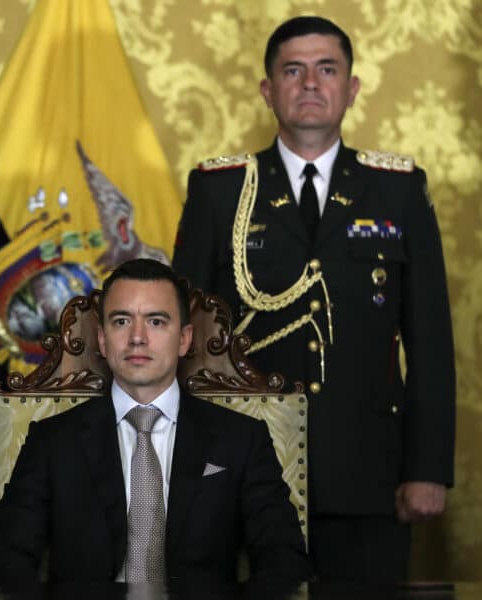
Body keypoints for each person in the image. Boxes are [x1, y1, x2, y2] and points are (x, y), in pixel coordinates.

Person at [171, 16, 454, 582]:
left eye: (327, 69)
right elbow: (186, 336)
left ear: (351, 88)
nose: (309, 84)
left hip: (367, 472)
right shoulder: (221, 188)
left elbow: (431, 342)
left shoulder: (397, 188)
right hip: (242, 474)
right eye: (292, 70)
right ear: (267, 90)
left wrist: (426, 470)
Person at [0, 258, 310, 586]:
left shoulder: (240, 439)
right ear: (102, 340)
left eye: (156, 321)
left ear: (184, 339)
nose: (137, 337)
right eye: (121, 321)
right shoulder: (52, 442)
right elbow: (2, 558)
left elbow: (285, 559)